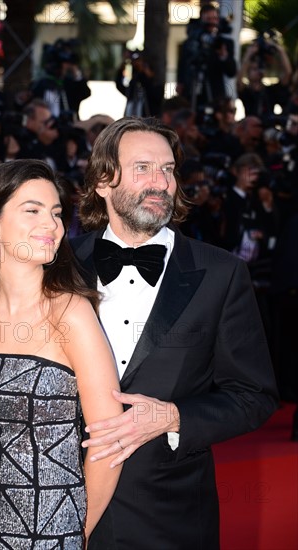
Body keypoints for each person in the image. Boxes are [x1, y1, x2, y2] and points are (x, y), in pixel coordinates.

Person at [70, 117, 279, 549]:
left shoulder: (221, 274)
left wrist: (173, 416)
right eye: (143, 168)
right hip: (61, 506)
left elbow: (254, 395)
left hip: (170, 517)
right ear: (104, 181)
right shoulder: (61, 265)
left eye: (168, 169)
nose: (160, 182)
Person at [0, 159, 122, 548]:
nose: (51, 225)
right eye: (32, 210)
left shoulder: (71, 313)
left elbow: (109, 442)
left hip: (51, 523)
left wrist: (75, 531)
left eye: (56, 213)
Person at [176, 3, 236, 111]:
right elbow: (183, 64)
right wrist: (180, 83)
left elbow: (232, 71)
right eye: (208, 19)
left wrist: (223, 56)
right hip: (192, 94)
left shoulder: (224, 43)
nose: (212, 22)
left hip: (215, 96)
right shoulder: (191, 43)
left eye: (214, 19)